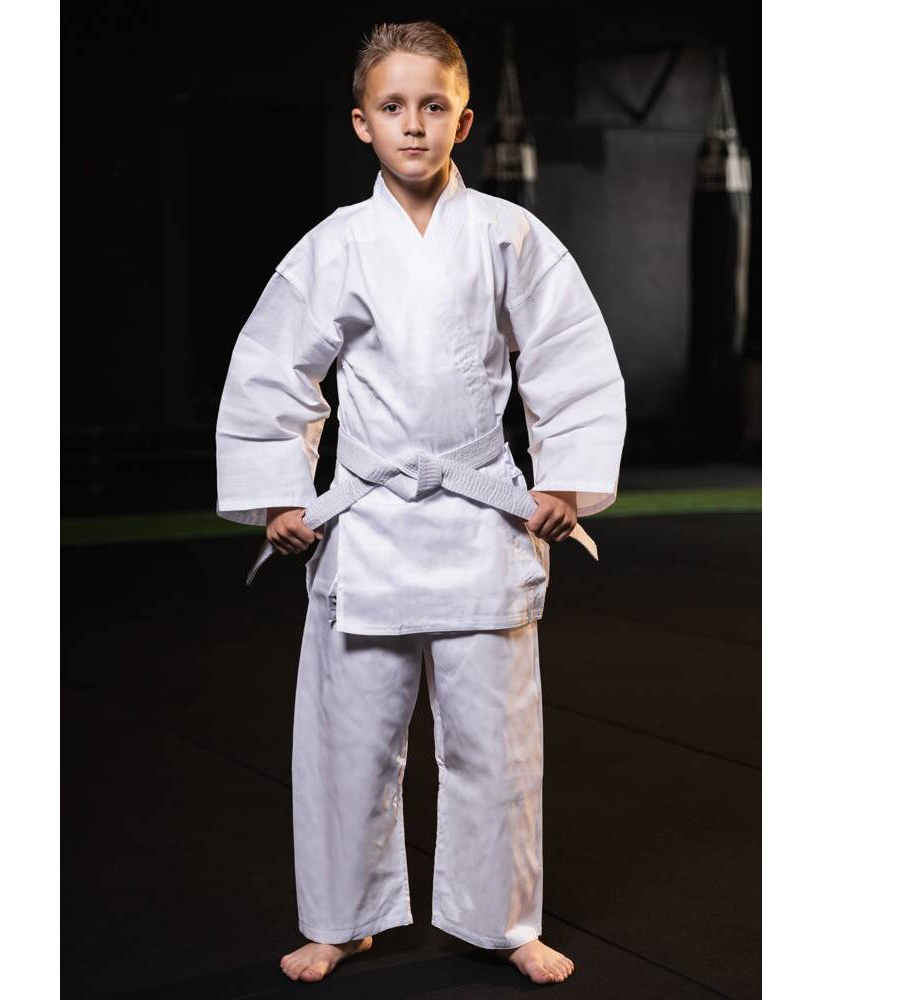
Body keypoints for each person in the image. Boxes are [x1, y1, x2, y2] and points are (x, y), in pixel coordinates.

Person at [215, 20, 626, 986]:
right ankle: (341, 918)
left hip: (482, 515)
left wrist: (561, 480)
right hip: (369, 521)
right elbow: (275, 370)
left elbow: (567, 356)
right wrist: (281, 494)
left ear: (464, 121)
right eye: (393, 107)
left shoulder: (509, 236)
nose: (414, 124)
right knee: (351, 740)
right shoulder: (336, 246)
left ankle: (503, 920)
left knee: (495, 743)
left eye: (433, 106)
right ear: (362, 123)